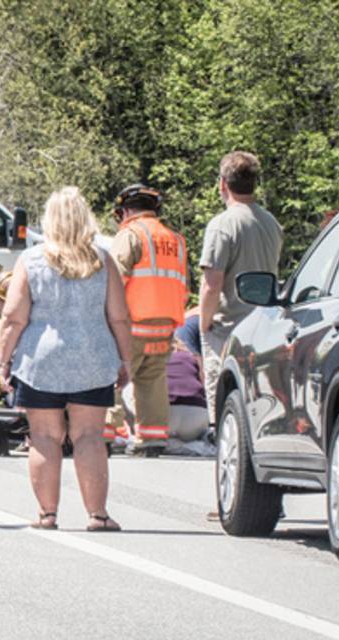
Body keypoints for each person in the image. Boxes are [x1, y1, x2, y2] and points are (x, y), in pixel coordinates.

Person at [0, 187, 133, 531]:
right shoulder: (102, 261)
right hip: (92, 359)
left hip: (41, 362)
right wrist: (125, 359)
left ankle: (47, 514)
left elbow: (13, 318)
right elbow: (119, 317)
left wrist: (4, 360)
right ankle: (98, 515)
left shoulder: (31, 261)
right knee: (89, 436)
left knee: (44, 437)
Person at [105, 183, 189, 457]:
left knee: (111, 376)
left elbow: (114, 280)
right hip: (165, 326)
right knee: (152, 381)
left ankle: (104, 435)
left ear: (126, 211)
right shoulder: (175, 240)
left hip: (131, 325)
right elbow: (183, 285)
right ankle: (151, 439)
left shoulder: (131, 235)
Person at [199, 151, 282, 424]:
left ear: (223, 184)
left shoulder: (222, 225)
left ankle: (220, 437)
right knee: (257, 400)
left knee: (223, 399)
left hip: (228, 328)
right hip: (265, 325)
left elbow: (212, 285)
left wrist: (204, 323)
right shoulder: (271, 223)